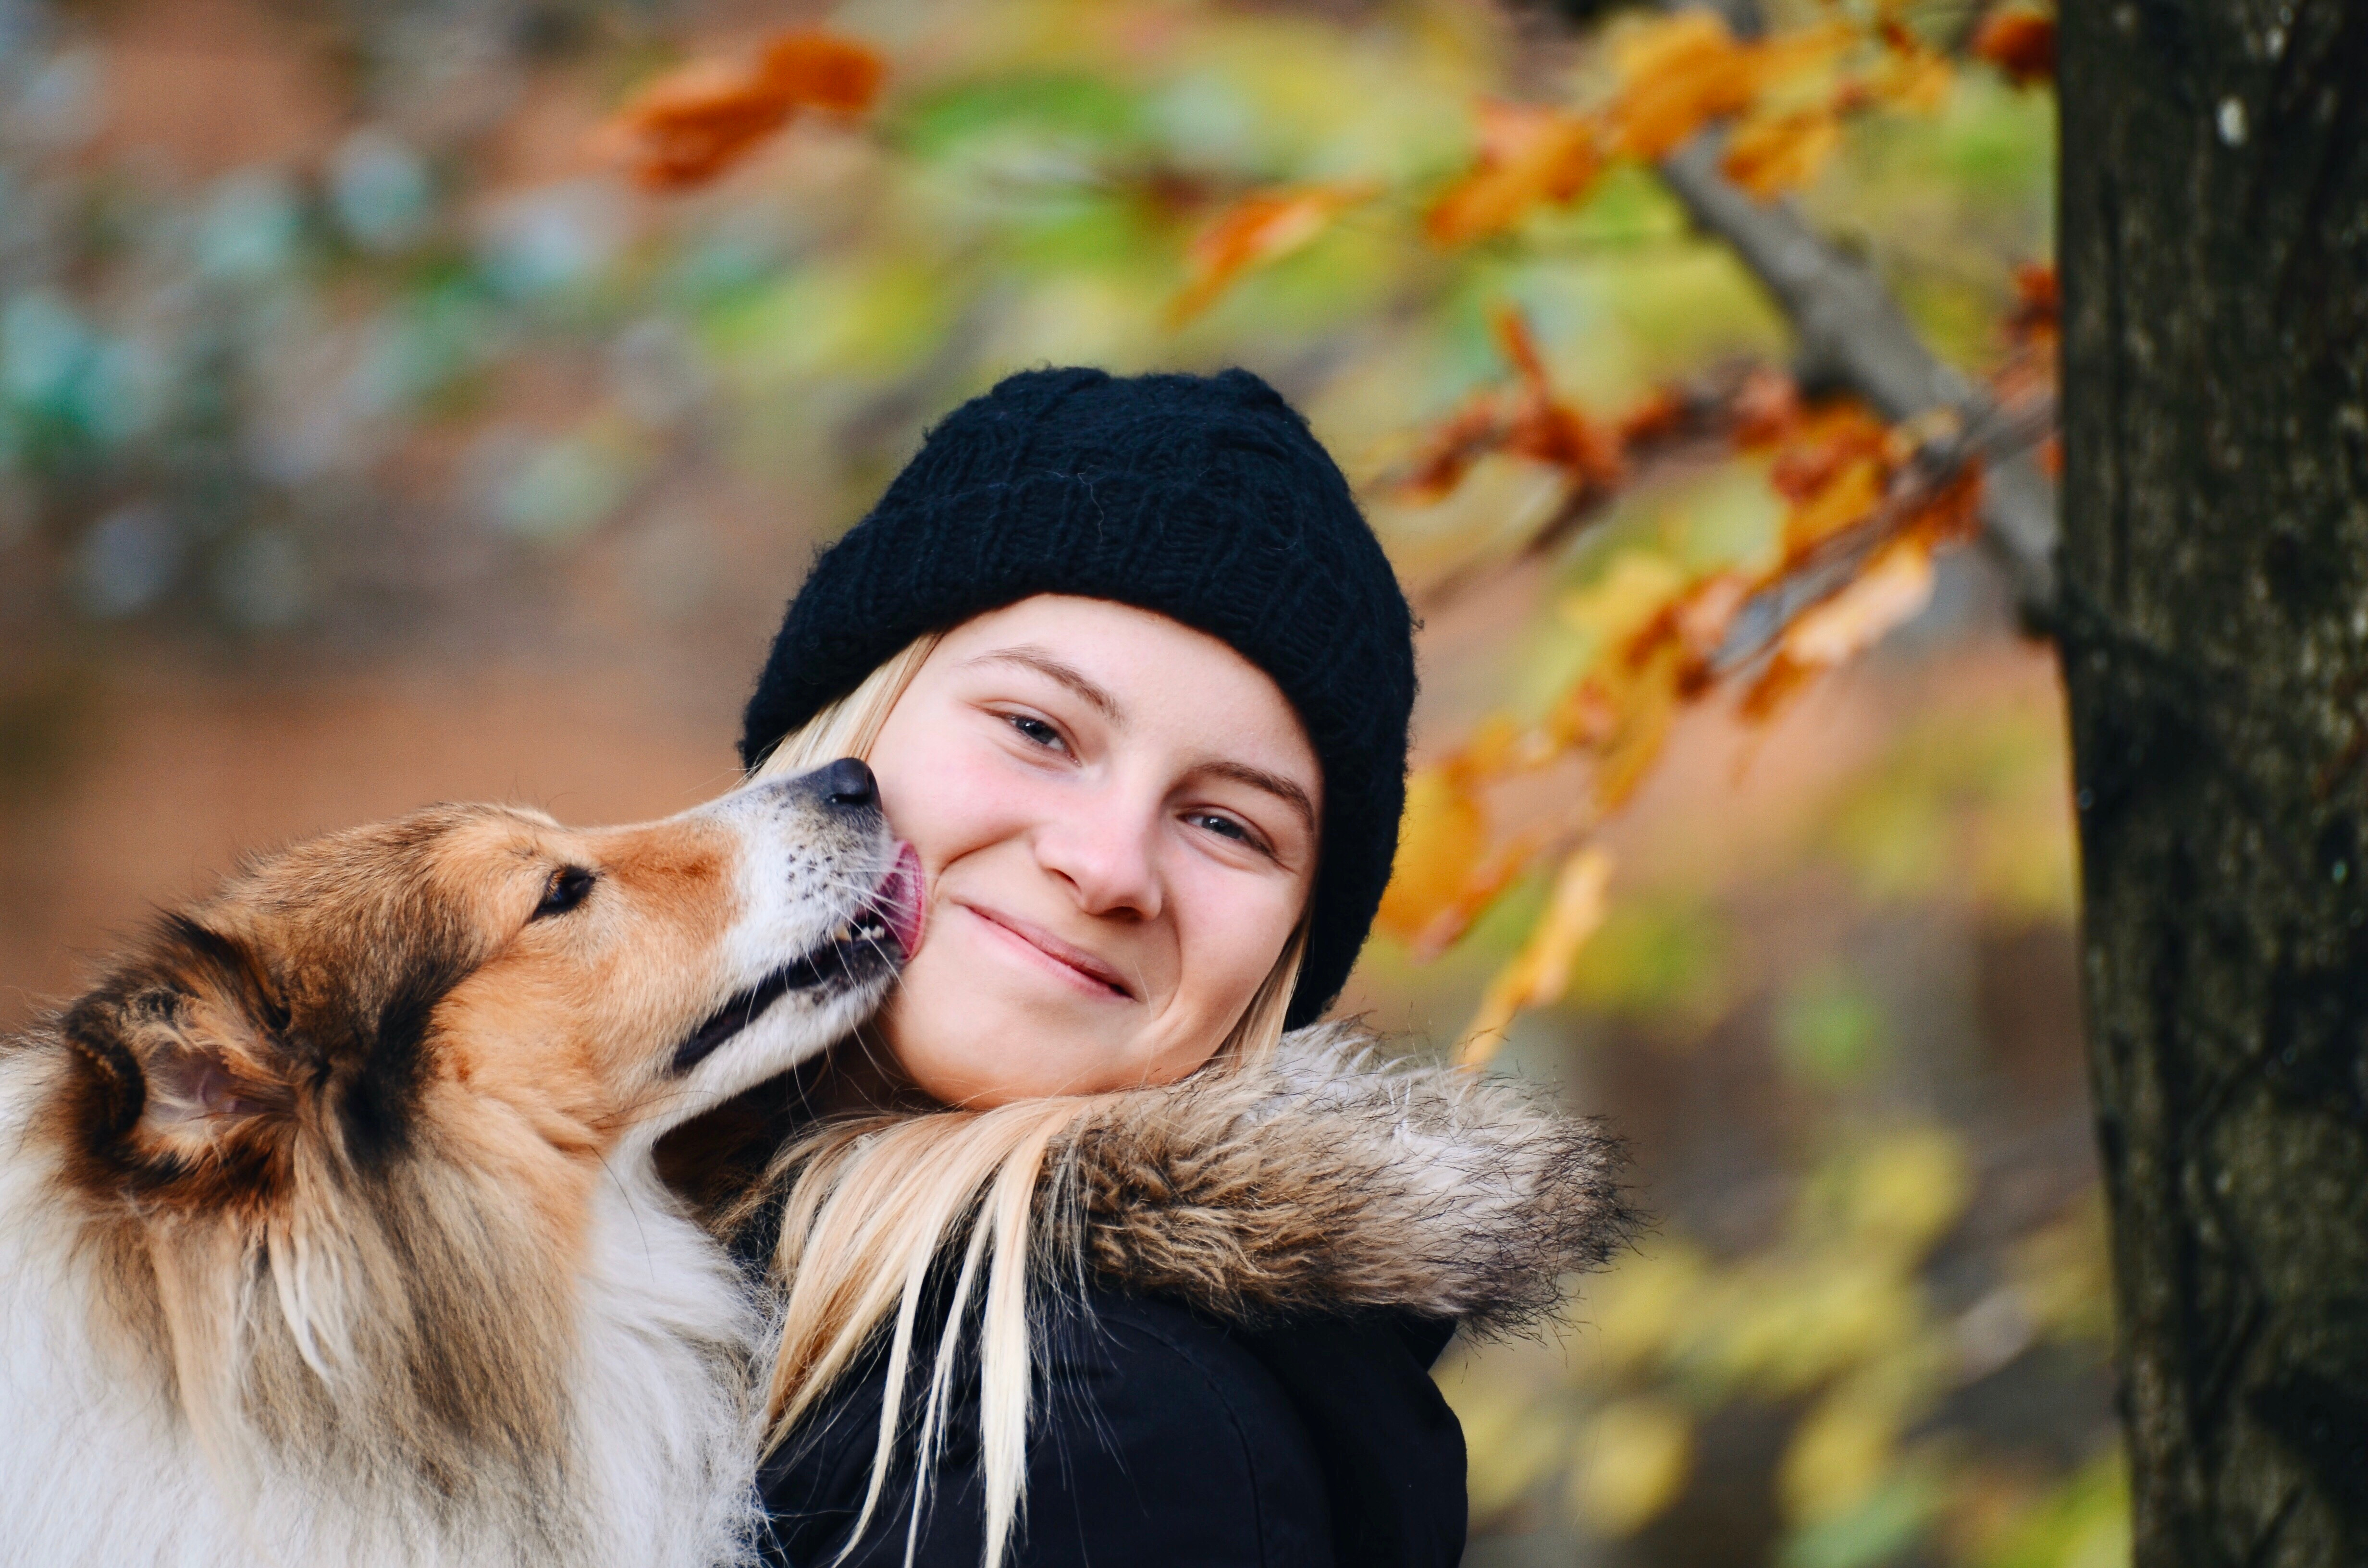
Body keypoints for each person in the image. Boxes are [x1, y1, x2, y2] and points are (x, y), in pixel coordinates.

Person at [687, 367, 1629, 1568]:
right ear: (843, 734)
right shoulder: (567, 1233)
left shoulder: (1109, 1440)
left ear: (1284, 956)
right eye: (1038, 730)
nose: (1107, 865)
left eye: (1228, 824)